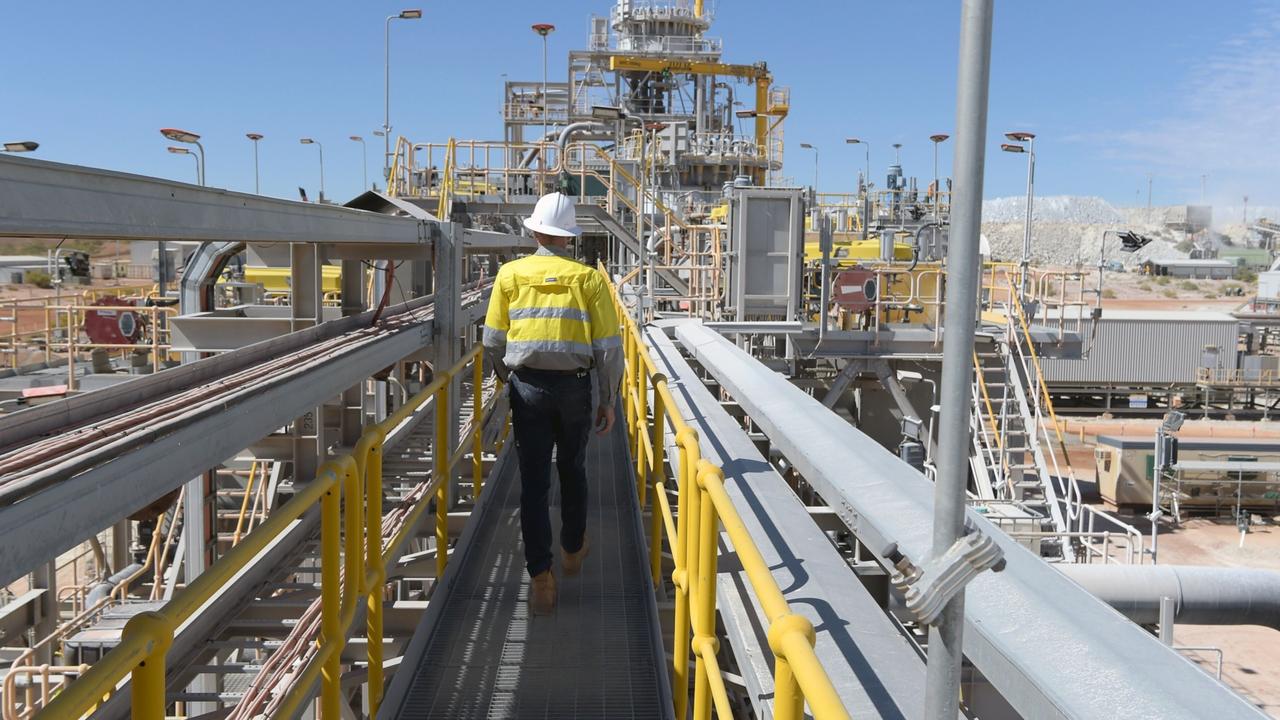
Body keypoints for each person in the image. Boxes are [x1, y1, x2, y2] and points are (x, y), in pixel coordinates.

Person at [482, 192, 623, 614]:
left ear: (535, 231)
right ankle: (573, 548)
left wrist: (509, 377)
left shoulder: (509, 275)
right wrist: (609, 399)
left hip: (528, 388)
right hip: (575, 389)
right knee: (573, 469)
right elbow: (609, 348)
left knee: (534, 483)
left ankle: (542, 579)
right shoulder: (589, 280)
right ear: (569, 237)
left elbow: (492, 340)